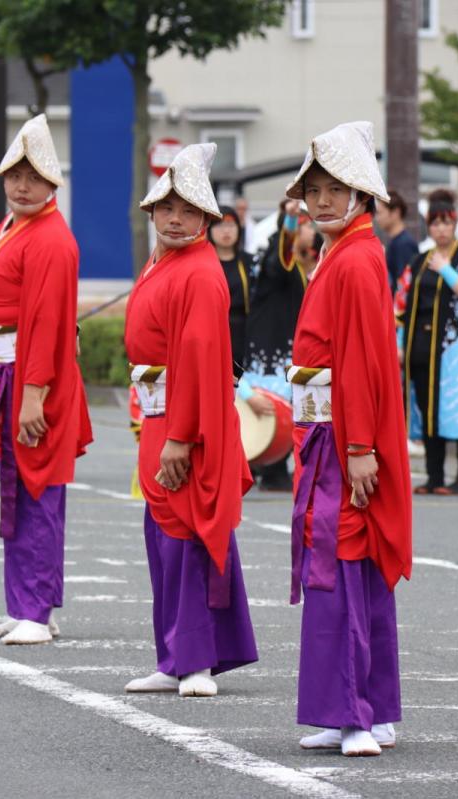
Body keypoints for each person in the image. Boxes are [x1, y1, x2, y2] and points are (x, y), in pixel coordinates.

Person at [285, 121, 412, 757]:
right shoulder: (345, 252)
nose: (324, 199)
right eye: (315, 189)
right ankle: (366, 709)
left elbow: (361, 360)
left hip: (341, 438)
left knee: (342, 567)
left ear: (361, 193)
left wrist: (359, 446)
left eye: (337, 188)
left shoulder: (357, 258)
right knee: (352, 572)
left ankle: (358, 713)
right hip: (328, 432)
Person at [123, 142, 258, 697]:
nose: (175, 219)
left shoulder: (199, 272)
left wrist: (180, 438)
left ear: (206, 218)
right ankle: (176, 653)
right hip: (158, 413)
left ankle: (197, 660)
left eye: (187, 210)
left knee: (189, 532)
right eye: (166, 209)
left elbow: (201, 361)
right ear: (152, 212)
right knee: (163, 536)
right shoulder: (165, 262)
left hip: (188, 421)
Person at [0, 114, 93, 646]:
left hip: (27, 376)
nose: (21, 185)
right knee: (16, 490)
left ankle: (38, 609)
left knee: (39, 489)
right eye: (14, 175)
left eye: (33, 176)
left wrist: (34, 394)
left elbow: (46, 323)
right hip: (1, 372)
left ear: (52, 183)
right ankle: (22, 603)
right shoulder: (11, 227)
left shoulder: (49, 238)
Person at [395, 189, 458, 495]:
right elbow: (400, 304)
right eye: (434, 224)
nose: (441, 229)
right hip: (421, 348)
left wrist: (446, 269)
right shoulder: (418, 262)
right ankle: (434, 476)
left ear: (455, 223)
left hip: (456, 351)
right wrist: (398, 342)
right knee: (427, 408)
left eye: (446, 223)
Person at [238, 199, 310, 491]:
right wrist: (290, 221)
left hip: (281, 346)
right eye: (306, 225)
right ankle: (265, 466)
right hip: (270, 348)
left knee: (280, 411)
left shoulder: (299, 260)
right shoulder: (277, 258)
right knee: (270, 408)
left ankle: (270, 467)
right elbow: (282, 256)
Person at [208, 208, 251, 373]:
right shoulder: (203, 264)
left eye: (231, 225)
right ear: (209, 230)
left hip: (244, 333)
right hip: (213, 330)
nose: (226, 231)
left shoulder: (250, 262)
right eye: (219, 225)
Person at [376, 191, 419, 295]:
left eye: (380, 213)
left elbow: (404, 285)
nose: (377, 218)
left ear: (395, 212)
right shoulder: (397, 242)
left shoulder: (403, 244)